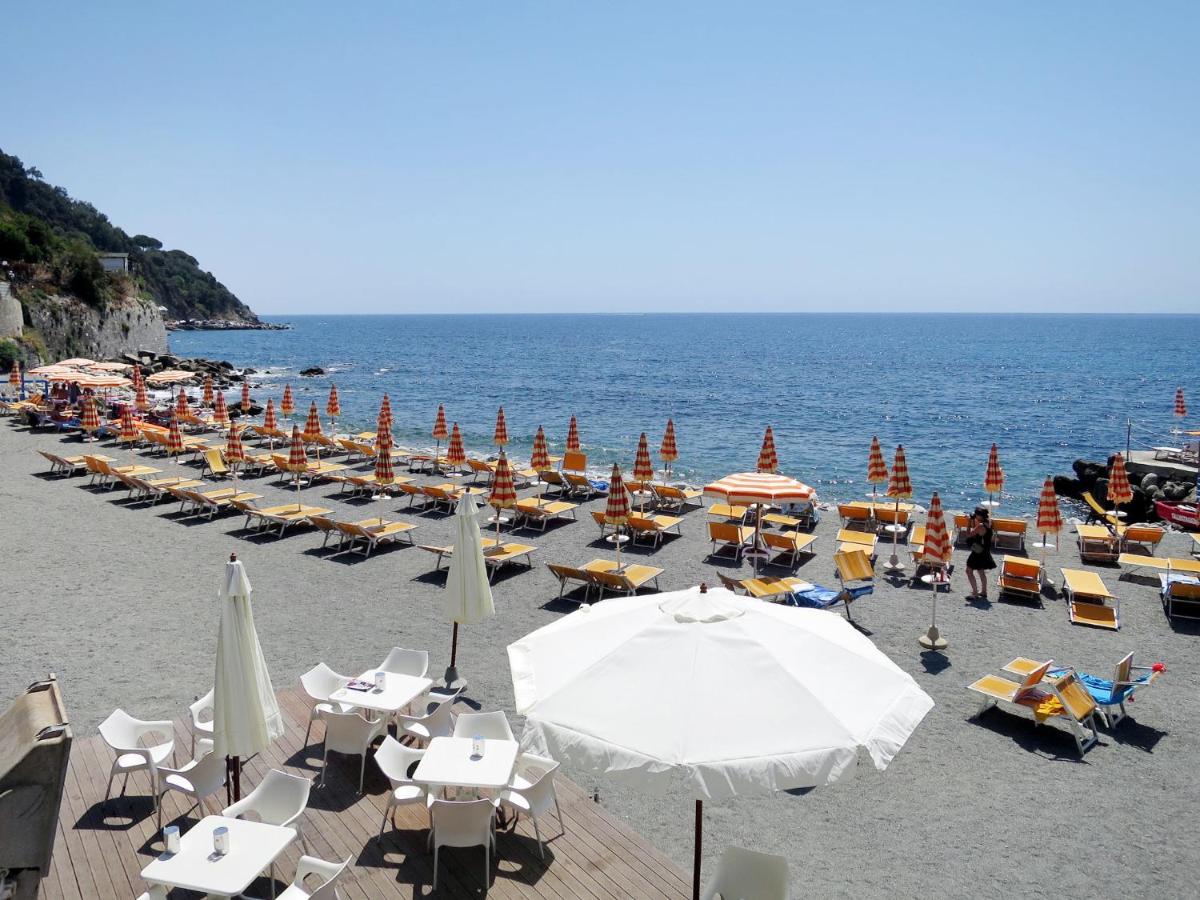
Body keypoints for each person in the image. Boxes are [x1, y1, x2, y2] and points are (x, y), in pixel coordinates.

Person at [963, 505, 996, 600]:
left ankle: (975, 593)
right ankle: (984, 591)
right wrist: (973, 520)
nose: (975, 516)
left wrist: (969, 522)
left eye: (977, 515)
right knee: (981, 571)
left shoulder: (981, 526)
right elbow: (979, 532)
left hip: (978, 553)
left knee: (969, 571)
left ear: (980, 516)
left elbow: (969, 535)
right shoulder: (988, 522)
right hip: (985, 551)